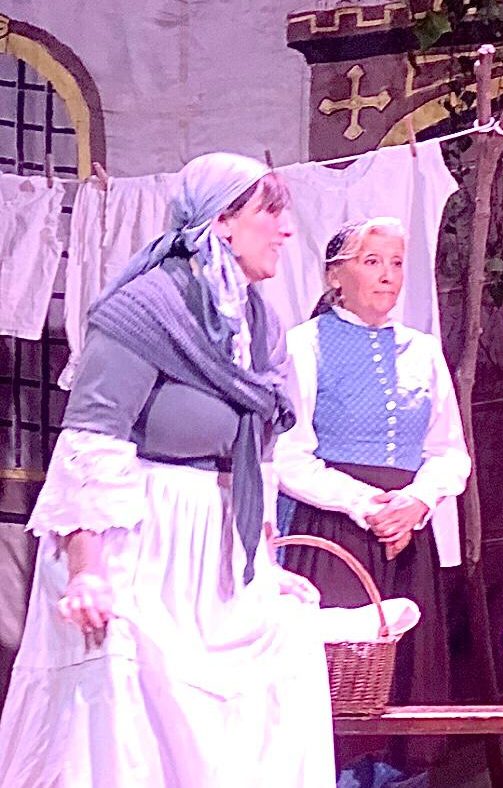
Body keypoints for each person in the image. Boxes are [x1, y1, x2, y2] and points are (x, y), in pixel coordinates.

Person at [0, 153, 335, 786]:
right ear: (222, 222)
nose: (287, 229)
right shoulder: (147, 308)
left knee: (285, 651)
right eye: (270, 213)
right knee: (127, 700)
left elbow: (258, 454)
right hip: (141, 543)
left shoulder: (257, 321)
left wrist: (262, 566)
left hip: (215, 550)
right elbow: (92, 439)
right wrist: (87, 570)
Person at [274, 218, 469, 772]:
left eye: (396, 263)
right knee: (338, 681)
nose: (388, 275)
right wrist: (366, 505)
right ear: (336, 276)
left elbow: (448, 451)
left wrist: (418, 501)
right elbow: (288, 455)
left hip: (407, 537)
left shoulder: (422, 351)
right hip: (332, 532)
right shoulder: (304, 346)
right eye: (372, 262)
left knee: (408, 679)